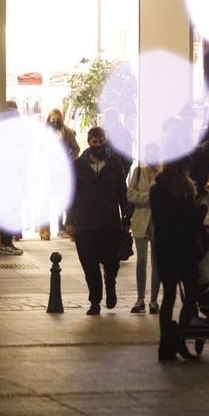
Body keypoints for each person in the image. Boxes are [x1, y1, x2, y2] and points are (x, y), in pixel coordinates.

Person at [150, 149, 209, 361]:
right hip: (184, 249)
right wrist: (204, 204)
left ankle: (165, 344)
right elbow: (193, 222)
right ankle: (180, 340)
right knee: (191, 294)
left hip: (165, 249)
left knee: (168, 296)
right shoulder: (184, 190)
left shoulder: (157, 187)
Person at [66, 127, 130, 316]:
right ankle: (95, 300)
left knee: (111, 263)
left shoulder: (115, 164)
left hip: (109, 222)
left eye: (101, 141)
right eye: (95, 142)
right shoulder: (78, 166)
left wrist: (126, 217)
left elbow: (122, 192)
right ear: (89, 142)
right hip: (85, 222)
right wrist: (69, 220)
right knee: (89, 263)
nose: (98, 145)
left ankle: (110, 286)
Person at [126, 147, 161, 314]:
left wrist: (145, 196)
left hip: (159, 223)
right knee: (141, 260)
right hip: (140, 221)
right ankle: (140, 299)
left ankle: (154, 300)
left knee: (157, 263)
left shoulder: (164, 173)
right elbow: (130, 194)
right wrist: (150, 197)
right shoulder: (138, 172)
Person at [44, 108, 79, 239]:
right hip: (47, 170)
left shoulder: (67, 133)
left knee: (64, 198)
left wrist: (69, 159)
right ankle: (45, 229)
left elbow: (76, 148)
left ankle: (63, 226)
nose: (55, 122)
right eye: (53, 119)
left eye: (57, 119)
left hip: (63, 170)